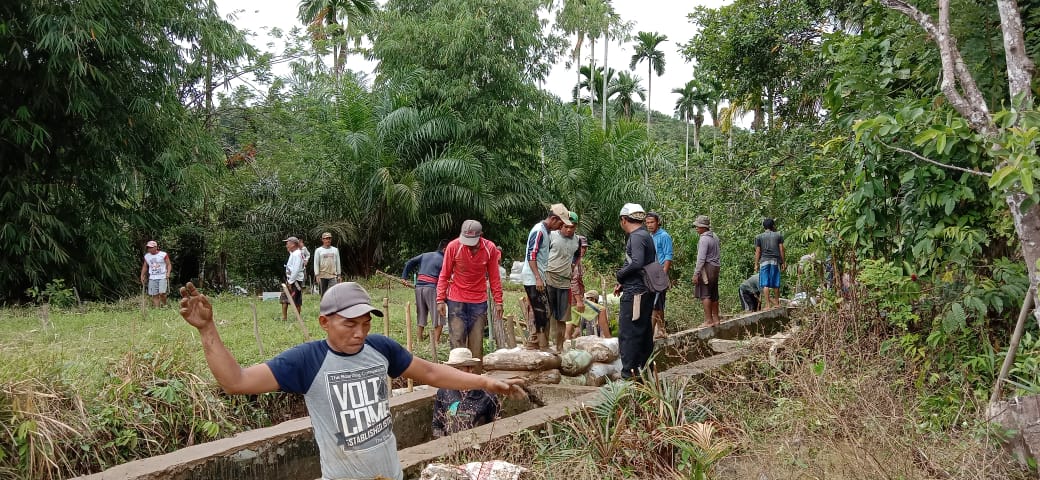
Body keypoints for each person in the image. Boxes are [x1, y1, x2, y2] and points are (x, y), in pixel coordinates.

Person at [178, 281, 523, 480]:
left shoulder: (380, 348)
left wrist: (484, 382)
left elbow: (430, 372)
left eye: (365, 324)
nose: (360, 333)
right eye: (349, 324)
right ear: (324, 322)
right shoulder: (306, 361)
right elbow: (236, 382)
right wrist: (208, 330)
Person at [436, 220, 504, 367]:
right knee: (457, 339)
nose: (469, 245)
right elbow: (444, 274)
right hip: (456, 300)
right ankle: (458, 379)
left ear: (481, 236)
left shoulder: (490, 249)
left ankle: (476, 382)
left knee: (477, 342)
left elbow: (494, 277)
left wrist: (498, 301)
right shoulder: (454, 247)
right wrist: (440, 299)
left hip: (478, 301)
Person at [520, 203, 572, 350]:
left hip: (539, 276)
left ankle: (537, 342)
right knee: (542, 311)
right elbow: (531, 255)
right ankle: (539, 344)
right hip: (533, 277)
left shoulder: (546, 231)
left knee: (544, 310)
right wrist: (537, 277)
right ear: (554, 219)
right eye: (561, 223)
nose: (560, 226)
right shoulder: (539, 231)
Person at [614, 203, 656, 379]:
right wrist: (624, 281)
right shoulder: (645, 235)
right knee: (643, 332)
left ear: (624, 220)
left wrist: (620, 275)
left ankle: (628, 375)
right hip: (642, 289)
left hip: (636, 294)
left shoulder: (636, 237)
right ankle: (645, 371)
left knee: (628, 333)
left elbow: (637, 262)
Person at [431, 348, 500, 438]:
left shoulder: (487, 395)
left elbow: (496, 427)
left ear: (470, 368)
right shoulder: (444, 392)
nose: (455, 373)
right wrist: (444, 442)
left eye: (459, 369)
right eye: (452, 369)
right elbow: (437, 425)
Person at [545, 211, 580, 351]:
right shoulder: (551, 236)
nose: (569, 229)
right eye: (566, 226)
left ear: (576, 226)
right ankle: (545, 345)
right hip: (550, 277)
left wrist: (572, 266)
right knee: (547, 314)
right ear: (561, 225)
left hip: (565, 282)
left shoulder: (577, 240)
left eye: (572, 227)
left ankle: (559, 346)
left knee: (562, 317)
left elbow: (577, 255)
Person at [402, 240, 448, 345]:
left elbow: (409, 262)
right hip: (431, 288)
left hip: (419, 287)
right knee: (440, 315)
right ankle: (436, 343)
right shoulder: (444, 260)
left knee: (421, 314)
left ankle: (419, 339)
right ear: (445, 249)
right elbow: (445, 279)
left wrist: (404, 277)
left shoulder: (425, 255)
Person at [645, 212, 673, 339]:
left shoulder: (664, 236)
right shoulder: (649, 236)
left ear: (657, 222)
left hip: (660, 272)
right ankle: (661, 330)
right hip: (651, 273)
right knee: (658, 303)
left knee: (656, 303)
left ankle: (650, 332)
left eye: (652, 222)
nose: (649, 225)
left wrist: (664, 273)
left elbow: (668, 255)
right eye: (647, 223)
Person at [692, 215, 721, 326]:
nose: (696, 228)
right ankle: (716, 319)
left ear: (704, 227)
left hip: (707, 268)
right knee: (714, 293)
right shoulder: (714, 236)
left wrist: (696, 273)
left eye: (698, 226)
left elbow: (701, 258)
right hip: (715, 267)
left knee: (705, 294)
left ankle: (709, 320)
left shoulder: (704, 239)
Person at [755, 218, 786, 310]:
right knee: (776, 283)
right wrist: (783, 262)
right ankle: (777, 303)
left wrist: (756, 264)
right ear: (773, 226)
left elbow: (758, 251)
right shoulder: (778, 235)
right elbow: (781, 249)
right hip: (775, 261)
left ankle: (768, 305)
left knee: (765, 284)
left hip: (764, 261)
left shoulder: (759, 237)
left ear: (764, 227)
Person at [568, 235, 589, 339]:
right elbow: (573, 282)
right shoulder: (574, 261)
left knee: (574, 328)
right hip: (573, 299)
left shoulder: (578, 261)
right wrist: (579, 301)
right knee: (569, 326)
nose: (583, 250)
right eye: (581, 247)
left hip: (575, 298)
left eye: (585, 247)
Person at [140, 240, 172, 308]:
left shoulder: (163, 254)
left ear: (156, 247)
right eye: (148, 248)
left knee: (162, 293)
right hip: (152, 277)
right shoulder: (147, 256)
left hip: (162, 276)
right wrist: (142, 275)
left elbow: (169, 264)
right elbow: (145, 266)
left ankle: (165, 305)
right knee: (154, 294)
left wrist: (168, 273)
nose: (149, 249)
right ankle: (157, 309)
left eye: (151, 247)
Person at [281, 236, 305, 321]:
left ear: (293, 244)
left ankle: (297, 319)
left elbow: (296, 269)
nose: (286, 245)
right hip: (290, 279)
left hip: (295, 281)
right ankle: (284, 318)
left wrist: (291, 281)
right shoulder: (294, 253)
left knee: (296, 301)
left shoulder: (297, 254)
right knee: (284, 298)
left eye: (288, 243)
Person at [313, 232, 341, 297]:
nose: (328, 240)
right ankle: (323, 306)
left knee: (334, 293)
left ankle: (333, 306)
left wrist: (339, 275)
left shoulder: (335, 250)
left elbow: (338, 262)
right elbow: (316, 263)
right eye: (326, 239)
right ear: (322, 240)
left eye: (329, 238)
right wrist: (317, 275)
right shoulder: (318, 250)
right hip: (322, 275)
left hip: (333, 275)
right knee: (323, 294)